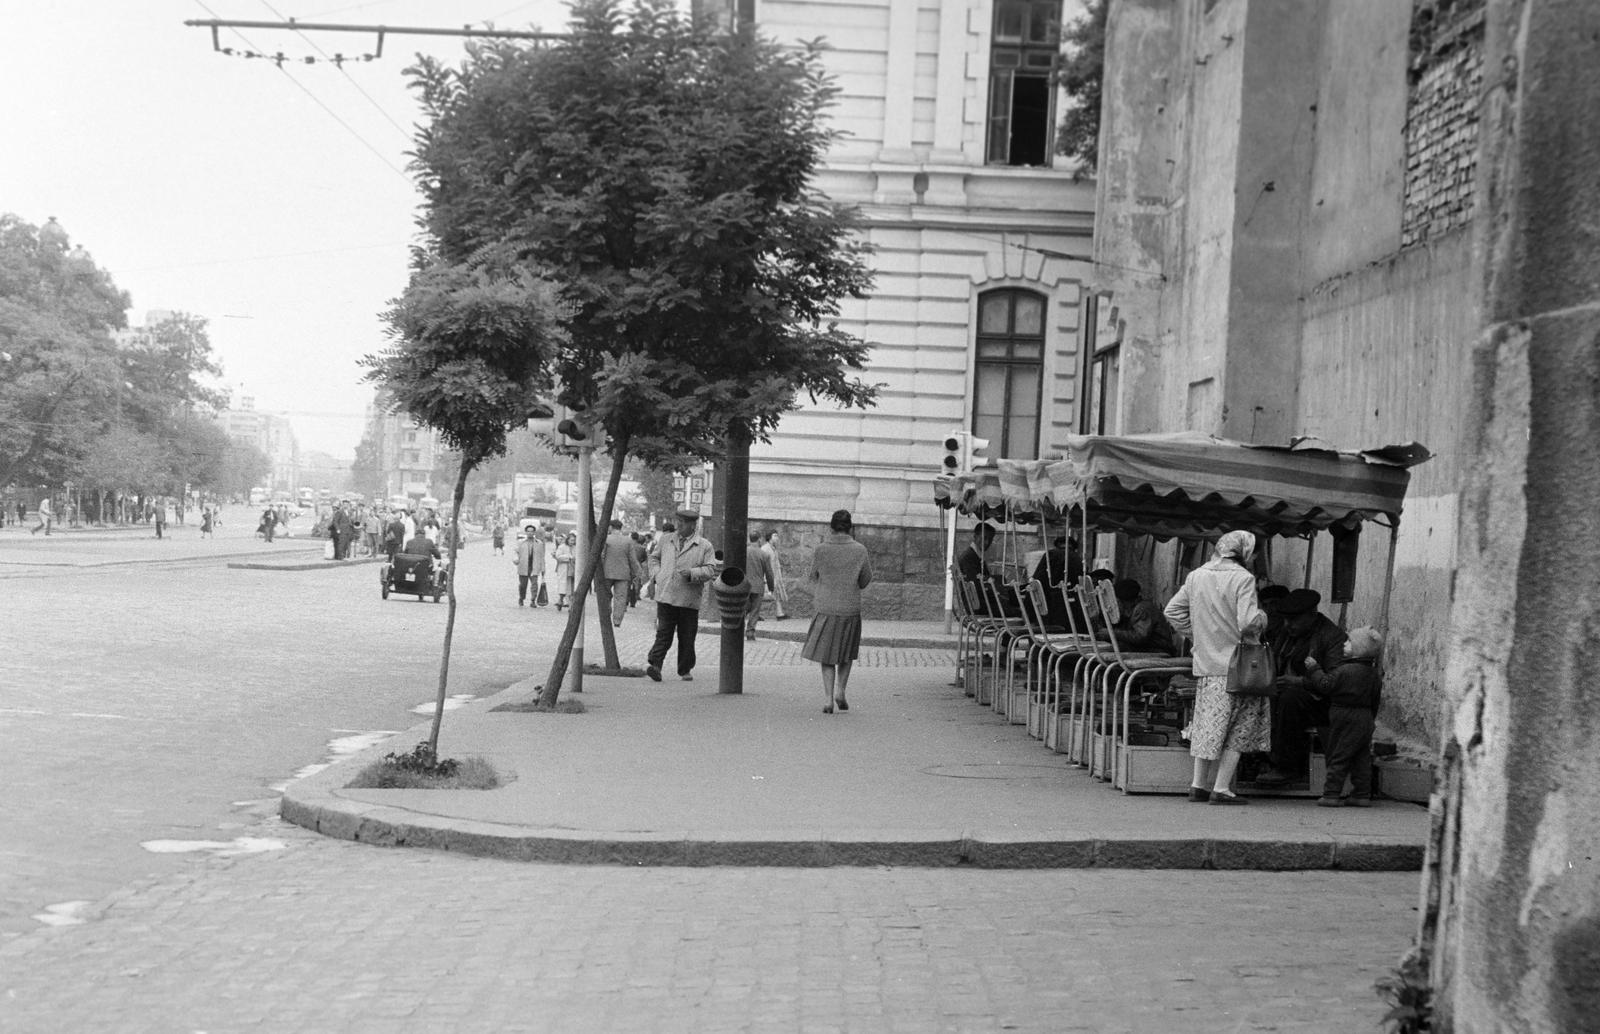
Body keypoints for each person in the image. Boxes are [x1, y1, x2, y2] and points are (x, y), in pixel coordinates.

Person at [1163, 530, 1268, 805]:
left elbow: (1172, 611)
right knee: (1240, 727)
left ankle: (1198, 785)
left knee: (1207, 724)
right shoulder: (1243, 578)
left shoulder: (1196, 576)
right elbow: (1247, 622)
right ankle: (1221, 788)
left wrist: (1198, 635)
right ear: (1243, 551)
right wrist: (1263, 618)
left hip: (1207, 664)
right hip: (1239, 664)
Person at [1255, 588, 1349, 786]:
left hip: (1323, 704)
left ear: (1312, 615)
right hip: (1289, 695)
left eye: (1294, 621)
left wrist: (1299, 682)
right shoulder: (1287, 634)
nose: (1288, 625)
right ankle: (1260, 758)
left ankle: (1287, 768)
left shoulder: (1332, 637)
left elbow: (1335, 682)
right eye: (1286, 620)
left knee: (1291, 698)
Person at [803, 509, 874, 714]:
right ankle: (840, 691)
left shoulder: (821, 549)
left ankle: (827, 699)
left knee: (827, 654)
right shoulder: (860, 550)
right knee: (846, 652)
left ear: (831, 527)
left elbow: (813, 575)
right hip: (849, 607)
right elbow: (865, 579)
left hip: (825, 607)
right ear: (850, 527)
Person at [1305, 626, 1384, 807]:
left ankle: (1331, 794)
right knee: (1361, 758)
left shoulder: (1344, 671)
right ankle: (1362, 794)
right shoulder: (1373, 674)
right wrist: (1370, 720)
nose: (1345, 644)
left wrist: (1314, 669)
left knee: (1338, 754)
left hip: (1344, 716)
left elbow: (1325, 685)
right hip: (1365, 717)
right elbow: (1375, 700)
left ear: (1358, 649)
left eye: (1349, 641)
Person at [644, 509, 717, 682]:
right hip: (666, 594)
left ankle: (685, 669)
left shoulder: (704, 545)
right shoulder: (666, 539)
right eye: (678, 522)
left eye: (682, 523)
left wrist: (692, 573)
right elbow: (653, 558)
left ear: (693, 525)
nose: (678, 526)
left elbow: (710, 569)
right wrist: (657, 573)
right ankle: (656, 665)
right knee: (664, 632)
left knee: (687, 635)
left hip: (688, 598)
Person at [601, 520, 642, 627]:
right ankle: (617, 620)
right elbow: (633, 559)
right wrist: (637, 573)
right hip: (623, 573)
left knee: (605, 595)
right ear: (620, 528)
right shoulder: (628, 541)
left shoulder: (606, 539)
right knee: (620, 598)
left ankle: (606, 615)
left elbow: (602, 556)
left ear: (610, 527)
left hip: (607, 572)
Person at [743, 530, 778, 641]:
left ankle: (738, 629)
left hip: (744, 586)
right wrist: (771, 588)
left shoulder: (743, 552)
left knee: (743, 609)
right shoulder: (764, 554)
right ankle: (750, 632)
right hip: (758, 587)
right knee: (755, 611)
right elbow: (769, 573)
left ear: (749, 539)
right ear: (759, 540)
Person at [514, 525, 546, 607]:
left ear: (534, 533)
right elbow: (516, 552)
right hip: (523, 566)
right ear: (526, 532)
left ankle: (533, 600)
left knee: (534, 585)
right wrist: (516, 559)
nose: (530, 533)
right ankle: (521, 598)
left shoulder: (539, 543)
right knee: (522, 585)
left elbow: (542, 556)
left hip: (534, 567)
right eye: (528, 531)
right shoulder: (521, 542)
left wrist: (543, 569)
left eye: (532, 531)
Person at [761, 530, 789, 619]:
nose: (777, 538)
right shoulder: (765, 548)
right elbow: (762, 563)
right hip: (768, 576)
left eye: (777, 536)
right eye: (775, 536)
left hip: (774, 576)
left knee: (776, 595)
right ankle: (754, 613)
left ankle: (779, 614)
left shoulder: (774, 549)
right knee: (762, 596)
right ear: (769, 537)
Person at [553, 532, 576, 610]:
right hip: (564, 568)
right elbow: (558, 556)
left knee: (571, 587)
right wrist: (568, 557)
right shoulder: (562, 547)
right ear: (567, 540)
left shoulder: (576, 548)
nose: (572, 542)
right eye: (571, 540)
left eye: (574, 540)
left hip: (573, 569)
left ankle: (570, 603)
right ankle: (561, 599)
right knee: (563, 585)